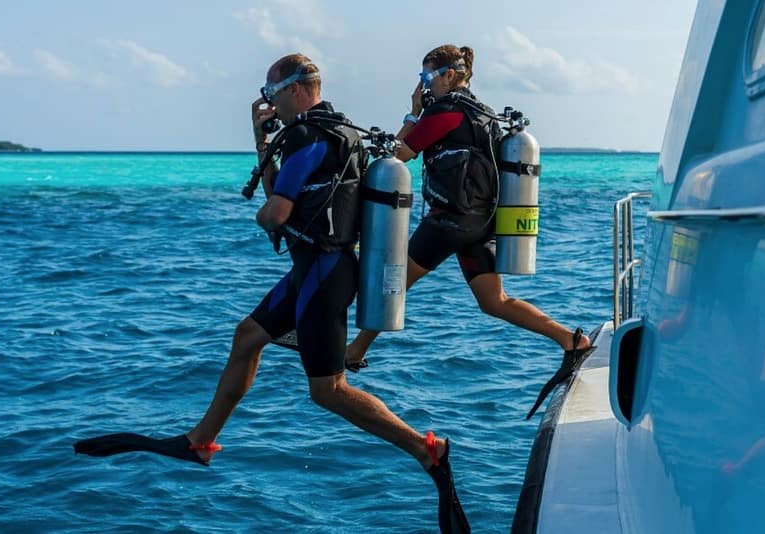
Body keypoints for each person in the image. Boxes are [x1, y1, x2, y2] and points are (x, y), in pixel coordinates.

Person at [74, 53, 470, 534]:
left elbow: (276, 211)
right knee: (248, 337)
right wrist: (262, 142)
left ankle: (427, 450)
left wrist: (262, 216)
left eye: (271, 94)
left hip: (324, 273)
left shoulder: (306, 135)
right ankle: (201, 441)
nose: (268, 103)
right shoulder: (334, 132)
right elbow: (286, 192)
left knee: (329, 391)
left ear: (296, 90)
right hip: (316, 268)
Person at [344, 45, 592, 416]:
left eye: (426, 77)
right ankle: (570, 340)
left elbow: (398, 155)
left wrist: (413, 113)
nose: (424, 85)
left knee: (391, 282)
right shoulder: (484, 113)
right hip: (482, 220)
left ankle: (354, 350)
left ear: (448, 75)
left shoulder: (446, 112)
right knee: (494, 302)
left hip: (450, 221)